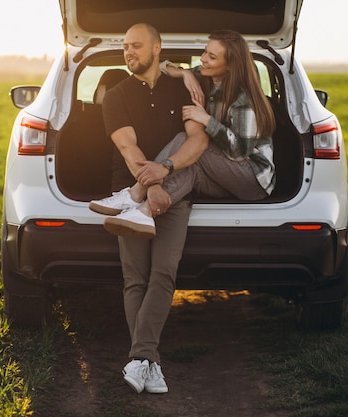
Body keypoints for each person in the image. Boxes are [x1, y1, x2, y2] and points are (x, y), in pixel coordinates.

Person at [94, 23, 210, 394]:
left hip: (174, 195)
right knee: (136, 279)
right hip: (130, 198)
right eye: (125, 47)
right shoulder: (116, 95)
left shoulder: (184, 87)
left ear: (157, 48)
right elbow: (128, 149)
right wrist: (152, 186)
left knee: (164, 275)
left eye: (137, 46)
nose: (129, 52)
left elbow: (198, 140)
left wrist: (167, 177)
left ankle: (141, 359)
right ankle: (149, 361)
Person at [91, 29, 276, 238]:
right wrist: (185, 73)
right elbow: (160, 66)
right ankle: (143, 213)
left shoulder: (243, 100)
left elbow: (240, 151)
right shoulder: (205, 75)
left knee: (186, 140)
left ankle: (135, 193)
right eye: (205, 52)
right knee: (190, 167)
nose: (203, 59)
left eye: (212, 57)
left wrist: (206, 120)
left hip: (251, 179)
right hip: (223, 174)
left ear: (230, 65)